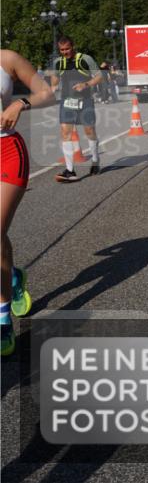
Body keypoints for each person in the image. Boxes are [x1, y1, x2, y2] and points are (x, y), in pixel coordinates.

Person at [1, 49, 56, 355]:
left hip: (6, 151)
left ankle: (3, 322)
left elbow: (47, 93)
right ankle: (11, 276)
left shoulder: (7, 59)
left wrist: (21, 103)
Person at [49, 36, 103, 182]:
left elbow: (99, 76)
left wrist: (85, 85)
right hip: (67, 101)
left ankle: (95, 161)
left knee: (89, 131)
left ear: (73, 47)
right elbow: (55, 78)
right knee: (65, 132)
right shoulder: (58, 62)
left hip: (85, 100)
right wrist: (52, 87)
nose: (65, 52)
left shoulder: (85, 59)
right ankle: (70, 170)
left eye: (67, 49)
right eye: (62, 50)